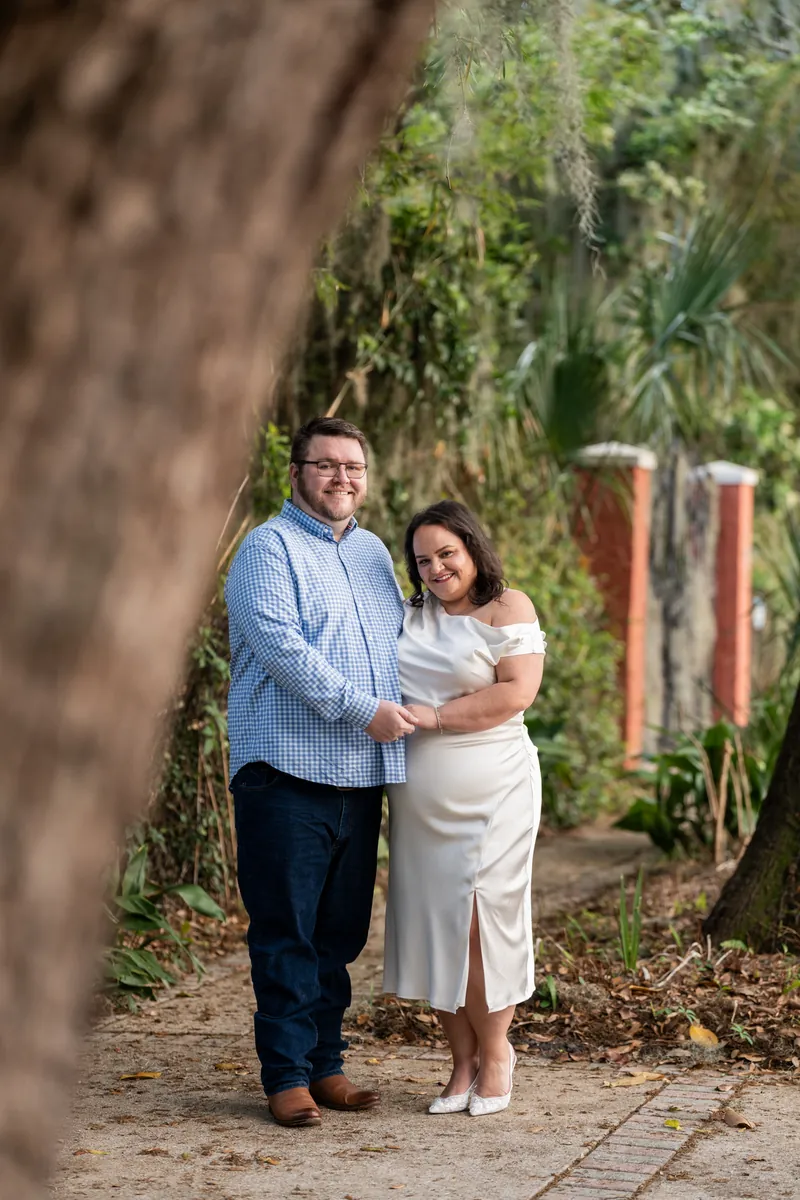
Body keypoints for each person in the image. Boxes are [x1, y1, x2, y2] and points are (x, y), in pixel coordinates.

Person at [225, 416, 418, 1128]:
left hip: (362, 778)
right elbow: (282, 648)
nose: (343, 479)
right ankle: (285, 1077)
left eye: (354, 468)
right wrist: (363, 709)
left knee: (339, 935)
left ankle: (326, 1064)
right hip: (285, 773)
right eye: (328, 465)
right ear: (297, 472)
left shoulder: (372, 553)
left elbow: (407, 641)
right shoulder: (265, 550)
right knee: (286, 932)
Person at [383, 500, 546, 1117]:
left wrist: (436, 716)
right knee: (434, 921)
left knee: (484, 919)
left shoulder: (510, 608)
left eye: (446, 553)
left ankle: (498, 1052)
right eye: (423, 559)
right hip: (421, 788)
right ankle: (460, 1063)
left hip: (495, 781)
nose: (436, 568)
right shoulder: (408, 614)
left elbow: (517, 691)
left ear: (472, 546)